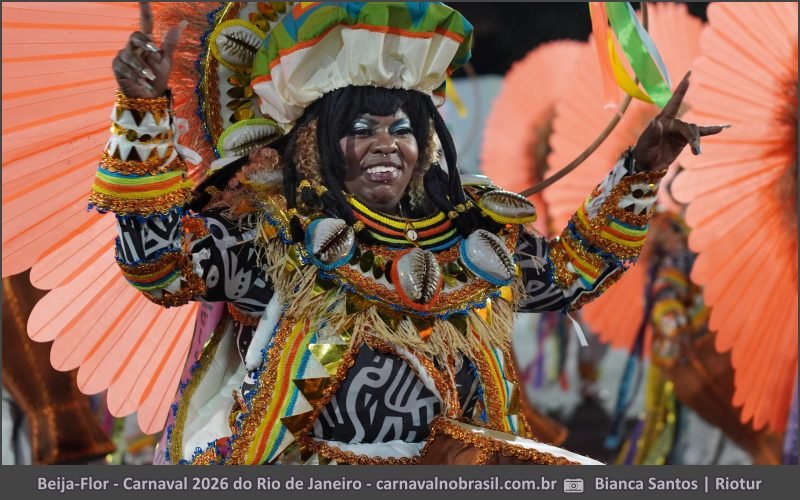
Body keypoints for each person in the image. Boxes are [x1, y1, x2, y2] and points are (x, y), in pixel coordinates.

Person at [91, 2, 725, 465]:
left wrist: (642, 171)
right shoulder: (273, 234)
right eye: (362, 128)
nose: (386, 145)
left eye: (403, 129)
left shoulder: (469, 236)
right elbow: (161, 265)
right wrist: (142, 117)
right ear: (315, 142)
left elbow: (571, 275)